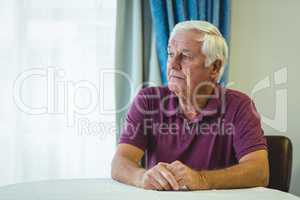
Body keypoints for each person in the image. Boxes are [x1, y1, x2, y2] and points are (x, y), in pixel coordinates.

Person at [111, 20, 269, 191]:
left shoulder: (240, 106)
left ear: (214, 67)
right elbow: (120, 162)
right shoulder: (147, 100)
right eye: (171, 54)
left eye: (185, 56)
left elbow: (260, 172)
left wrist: (203, 179)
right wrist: (141, 177)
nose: (173, 64)